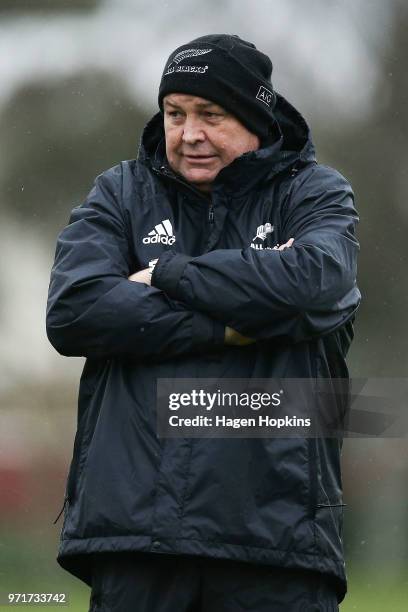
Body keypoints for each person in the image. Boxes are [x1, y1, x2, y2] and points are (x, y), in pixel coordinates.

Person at [46, 34, 360, 611]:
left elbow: (316, 284)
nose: (189, 134)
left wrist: (165, 272)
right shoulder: (120, 193)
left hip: (278, 540)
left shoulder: (314, 193)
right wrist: (234, 320)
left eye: (211, 115)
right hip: (135, 539)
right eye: (175, 114)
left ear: (255, 118)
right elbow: (74, 311)